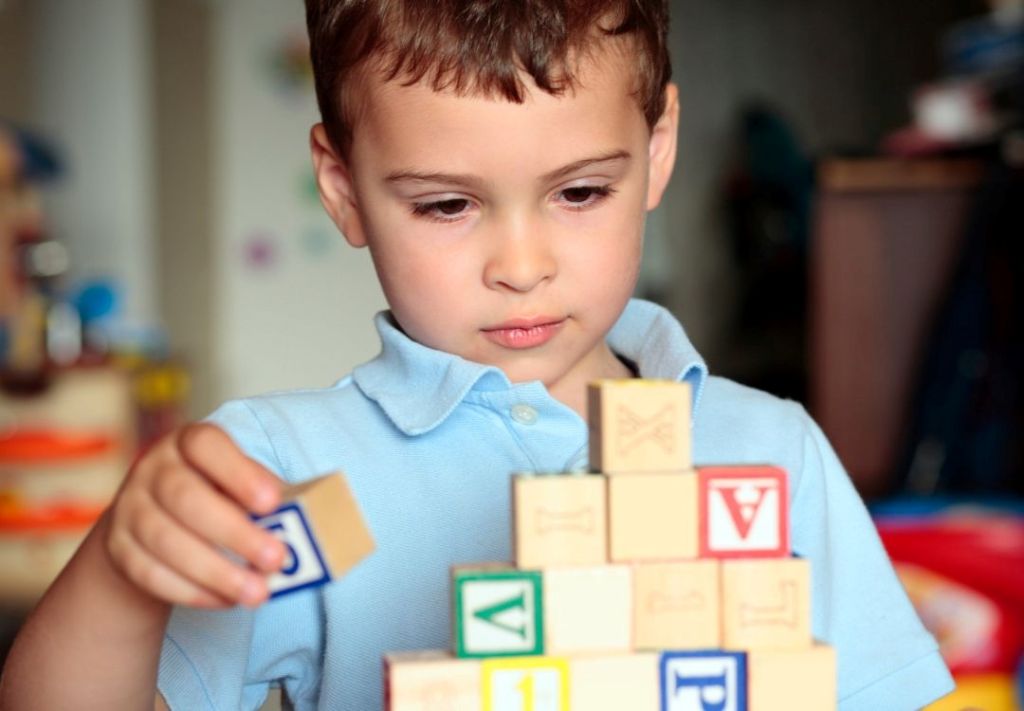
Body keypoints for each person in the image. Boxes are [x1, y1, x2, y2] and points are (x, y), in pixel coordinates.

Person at [0, 1, 955, 709]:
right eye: (448, 205)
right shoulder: (283, 473)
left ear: (657, 148)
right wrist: (121, 577)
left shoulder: (773, 454)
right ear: (343, 188)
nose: (522, 266)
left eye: (580, 193)